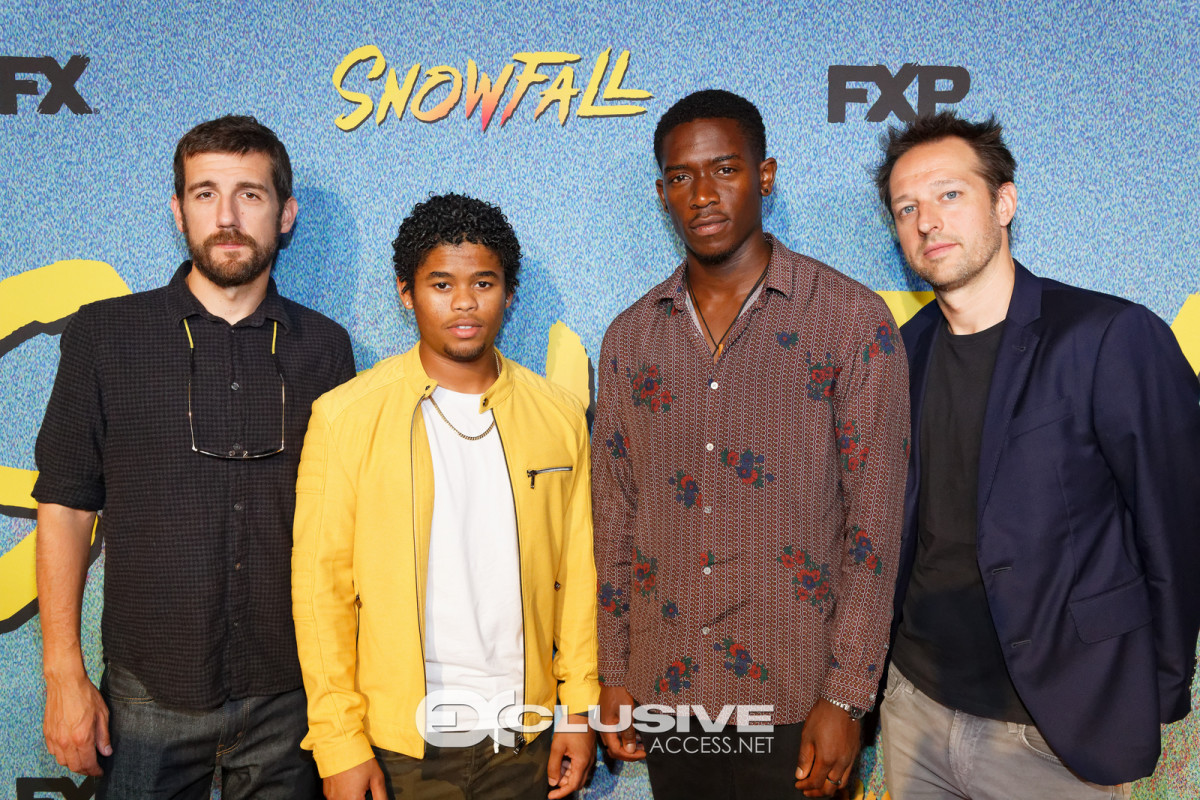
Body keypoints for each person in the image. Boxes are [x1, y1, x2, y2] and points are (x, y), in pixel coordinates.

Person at [592, 89, 909, 798]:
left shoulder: (849, 320)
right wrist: (614, 671)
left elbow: (875, 526)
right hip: (671, 694)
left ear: (764, 176)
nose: (702, 194)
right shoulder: (630, 338)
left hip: (802, 697)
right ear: (662, 194)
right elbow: (615, 517)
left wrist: (847, 696)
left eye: (725, 169)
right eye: (681, 177)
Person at [874, 111, 1200, 798]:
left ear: (1004, 202)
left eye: (950, 194)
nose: (928, 221)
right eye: (907, 207)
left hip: (1056, 729)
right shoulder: (904, 351)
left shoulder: (1110, 336)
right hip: (916, 709)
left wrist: (1162, 685)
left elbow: (1175, 528)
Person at [35, 115, 356, 799]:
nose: (228, 217)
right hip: (146, 696)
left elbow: (344, 528)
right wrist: (63, 675)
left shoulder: (325, 349)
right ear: (179, 211)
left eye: (250, 194)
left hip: (289, 697)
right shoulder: (105, 335)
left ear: (286, 214)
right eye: (206, 194)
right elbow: (65, 506)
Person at [292, 193, 598, 800]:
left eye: (483, 282)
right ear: (406, 293)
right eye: (441, 284)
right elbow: (320, 592)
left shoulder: (559, 417)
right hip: (400, 747)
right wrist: (340, 744)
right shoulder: (345, 417)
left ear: (509, 293)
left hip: (525, 739)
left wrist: (580, 708)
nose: (464, 302)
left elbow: (580, 577)